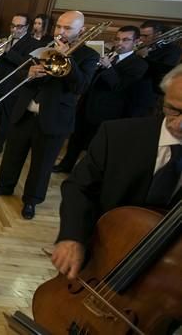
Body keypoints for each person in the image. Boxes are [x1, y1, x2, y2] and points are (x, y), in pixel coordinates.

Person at [52, 64, 182, 280]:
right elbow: (79, 187)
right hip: (99, 253)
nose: (179, 124)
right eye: (173, 109)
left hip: (166, 275)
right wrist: (72, 237)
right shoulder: (117, 134)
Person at [0, 11, 100, 219]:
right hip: (26, 112)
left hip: (54, 118)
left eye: (67, 28)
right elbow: (20, 72)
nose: (61, 32)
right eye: (58, 27)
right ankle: (4, 185)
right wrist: (28, 74)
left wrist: (67, 59)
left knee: (42, 164)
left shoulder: (89, 56)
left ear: (81, 31)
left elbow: (81, 86)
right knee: (12, 154)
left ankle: (31, 201)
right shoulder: (43, 47)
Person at [54, 26, 148, 173]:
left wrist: (108, 67)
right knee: (75, 139)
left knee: (95, 146)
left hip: (108, 112)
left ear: (136, 42)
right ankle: (65, 165)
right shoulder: (106, 55)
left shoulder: (139, 64)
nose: (120, 43)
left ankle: (84, 174)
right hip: (87, 104)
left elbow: (119, 86)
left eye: (126, 40)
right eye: (117, 39)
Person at [0, 14, 40, 154]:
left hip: (12, 86)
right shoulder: (6, 38)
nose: (14, 29)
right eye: (12, 25)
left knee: (5, 118)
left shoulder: (33, 43)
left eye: (19, 26)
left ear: (27, 27)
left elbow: (26, 63)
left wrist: (8, 51)